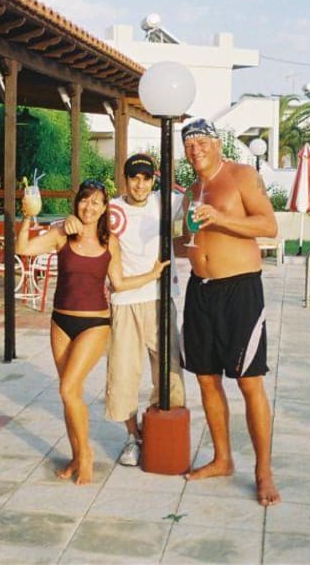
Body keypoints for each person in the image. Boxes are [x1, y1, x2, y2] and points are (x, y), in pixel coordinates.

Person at [16, 179, 167, 485]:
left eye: (96, 202)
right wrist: (28, 216)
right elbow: (23, 249)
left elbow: (119, 284)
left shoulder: (109, 241)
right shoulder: (62, 232)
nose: (89, 207)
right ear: (77, 204)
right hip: (61, 321)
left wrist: (152, 274)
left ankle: (86, 455)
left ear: (104, 208)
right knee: (70, 395)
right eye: (84, 200)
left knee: (67, 389)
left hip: (95, 323)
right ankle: (76, 455)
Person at [178, 118, 282, 507]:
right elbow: (184, 240)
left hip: (239, 290)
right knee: (206, 379)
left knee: (249, 381)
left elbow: (268, 225)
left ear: (218, 144)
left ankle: (263, 472)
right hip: (199, 290)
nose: (196, 149)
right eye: (189, 145)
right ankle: (222, 459)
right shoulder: (191, 191)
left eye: (202, 142)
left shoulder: (241, 176)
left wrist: (220, 217)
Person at [98, 153, 186, 467]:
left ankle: (158, 430)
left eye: (146, 178)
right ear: (125, 179)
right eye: (134, 178)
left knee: (170, 374)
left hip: (162, 300)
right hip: (124, 303)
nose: (140, 185)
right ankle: (133, 437)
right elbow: (83, 217)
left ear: (153, 180)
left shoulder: (166, 202)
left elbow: (198, 197)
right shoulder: (111, 209)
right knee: (123, 373)